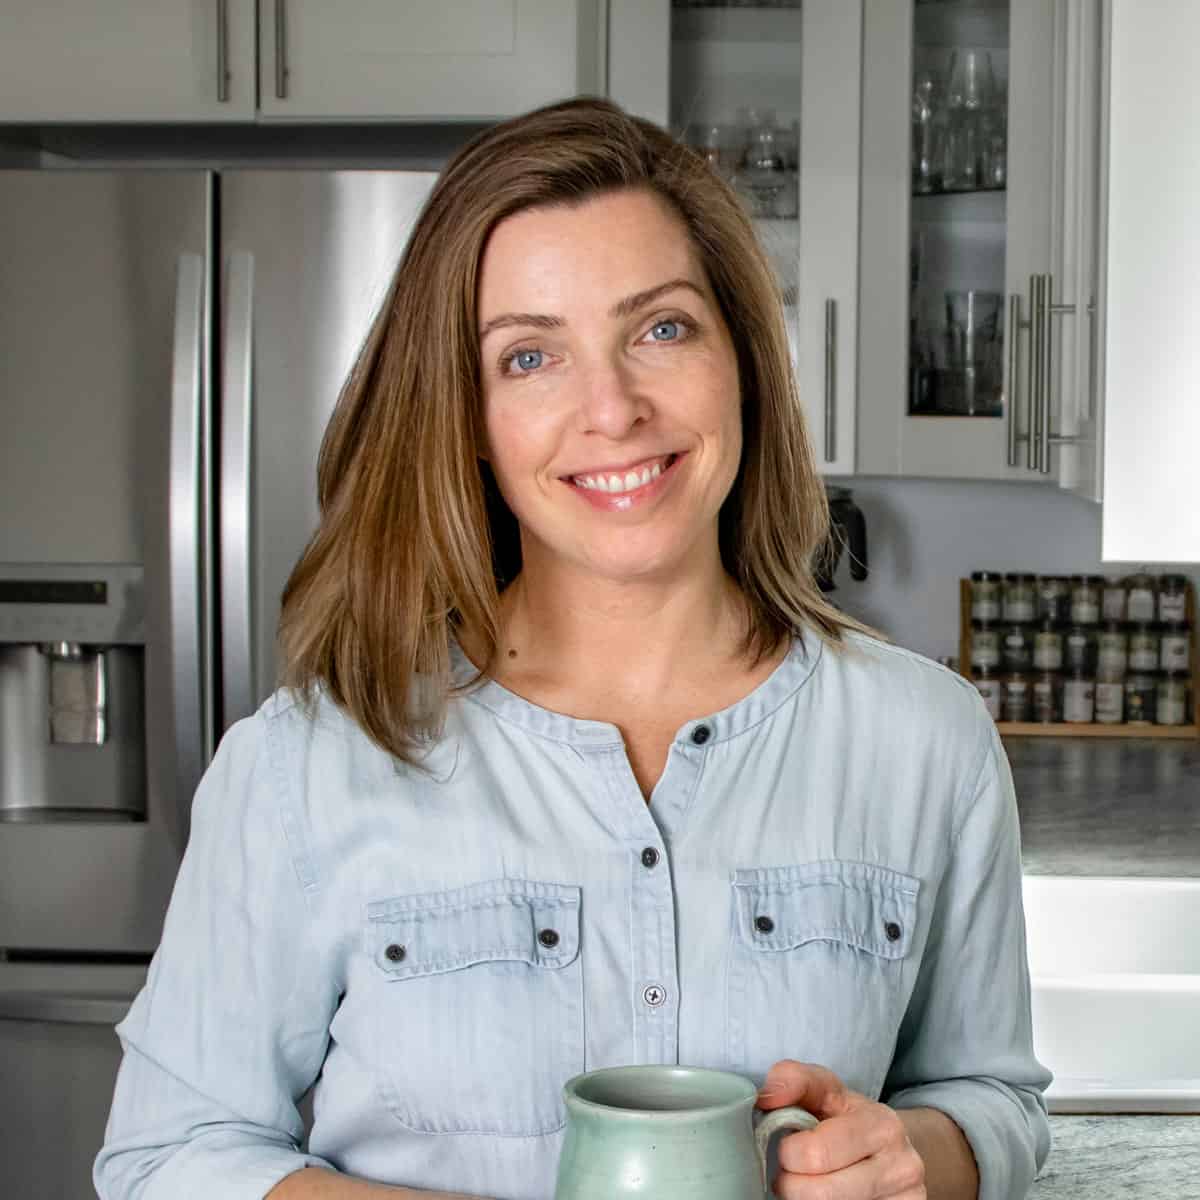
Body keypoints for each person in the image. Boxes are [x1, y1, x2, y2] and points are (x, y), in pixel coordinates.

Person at [95, 97, 1051, 1200]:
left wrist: (915, 1158)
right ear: (466, 413)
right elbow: (169, 1158)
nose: (612, 409)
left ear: (742, 354)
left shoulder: (926, 738)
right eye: (530, 357)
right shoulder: (304, 765)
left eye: (660, 329)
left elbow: (995, 1097)